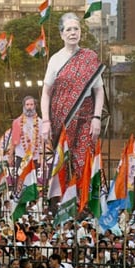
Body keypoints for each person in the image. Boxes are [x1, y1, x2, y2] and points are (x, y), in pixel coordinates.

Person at [40, 12, 104, 177]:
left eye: (76, 29)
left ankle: (83, 202)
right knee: (62, 164)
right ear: (62, 34)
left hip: (85, 118)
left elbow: (99, 90)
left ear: (81, 32)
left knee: (82, 162)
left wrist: (97, 118)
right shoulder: (55, 60)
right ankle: (63, 201)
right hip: (60, 120)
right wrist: (46, 121)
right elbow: (46, 93)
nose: (73, 33)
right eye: (68, 29)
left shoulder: (89, 57)